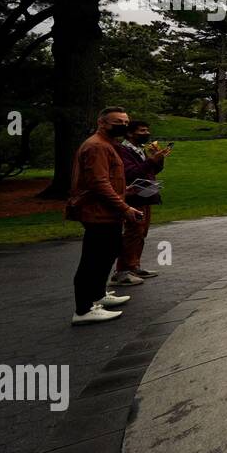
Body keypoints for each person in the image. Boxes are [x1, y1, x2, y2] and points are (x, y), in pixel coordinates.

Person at [65, 106, 145, 325]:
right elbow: (98, 183)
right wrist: (125, 208)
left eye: (126, 121)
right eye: (117, 122)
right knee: (93, 259)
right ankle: (83, 309)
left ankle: (98, 295)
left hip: (107, 211)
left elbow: (107, 180)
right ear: (102, 123)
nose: (123, 125)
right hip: (97, 212)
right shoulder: (97, 146)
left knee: (108, 253)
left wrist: (126, 190)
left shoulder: (108, 145)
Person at [110, 119, 171, 286]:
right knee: (132, 232)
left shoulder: (139, 150)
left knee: (141, 232)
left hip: (145, 195)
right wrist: (151, 160)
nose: (146, 134)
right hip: (133, 197)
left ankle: (134, 265)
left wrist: (158, 159)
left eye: (147, 130)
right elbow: (131, 173)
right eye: (143, 131)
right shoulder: (123, 150)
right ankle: (121, 272)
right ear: (130, 133)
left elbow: (152, 170)